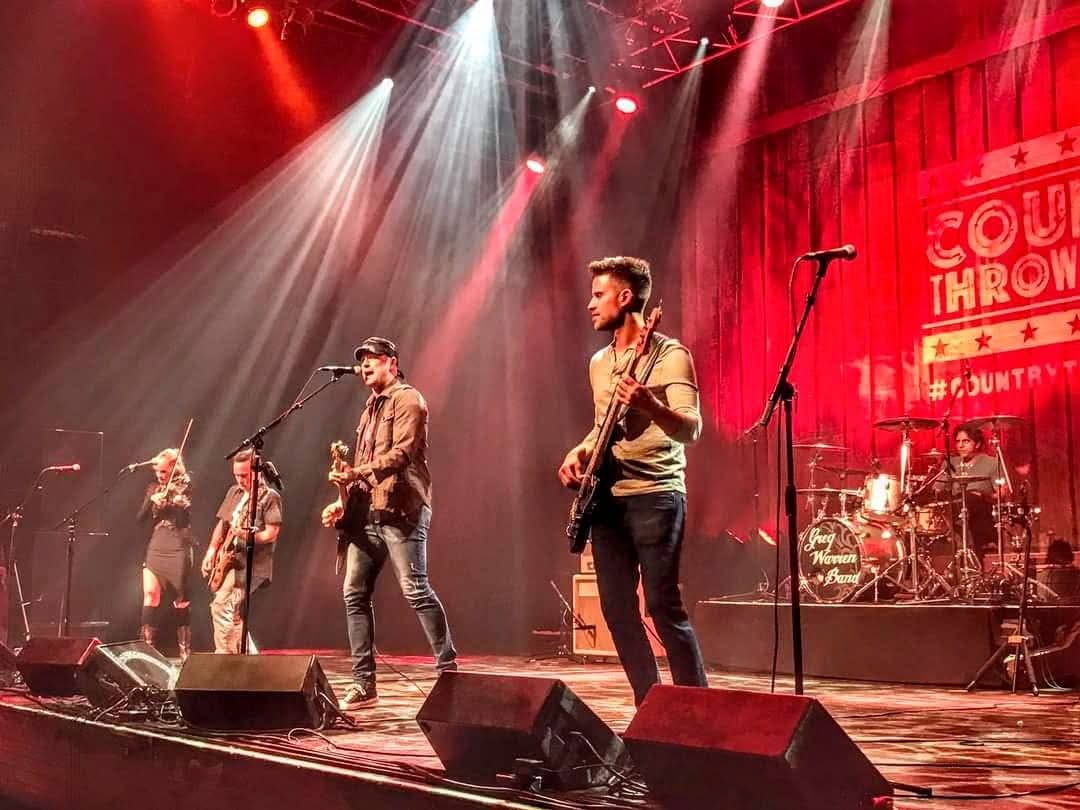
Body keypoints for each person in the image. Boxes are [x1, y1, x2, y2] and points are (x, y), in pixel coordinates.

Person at [557, 256, 708, 706]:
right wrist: (579, 451)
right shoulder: (598, 362)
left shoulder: (671, 355)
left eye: (598, 295)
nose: (590, 304)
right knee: (616, 609)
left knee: (662, 605)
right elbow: (602, 426)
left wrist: (650, 405)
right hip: (608, 500)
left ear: (625, 298)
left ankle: (697, 708)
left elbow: (691, 429)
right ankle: (652, 704)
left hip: (657, 495)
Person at [322, 336, 457, 711]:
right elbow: (361, 470)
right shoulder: (369, 410)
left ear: (392, 363)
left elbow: (402, 454)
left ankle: (449, 671)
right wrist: (342, 501)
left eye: (373, 358)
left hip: (401, 510)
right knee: (354, 594)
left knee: (415, 590)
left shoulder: (409, 399)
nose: (365, 365)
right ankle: (364, 684)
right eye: (362, 359)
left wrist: (357, 472)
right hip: (367, 513)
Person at [200, 450, 282, 654]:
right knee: (235, 614)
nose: (240, 480)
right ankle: (251, 660)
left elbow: (271, 534)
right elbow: (223, 524)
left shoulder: (270, 497)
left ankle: (224, 657)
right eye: (236, 475)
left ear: (257, 472)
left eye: (244, 475)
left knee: (221, 606)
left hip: (252, 565)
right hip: (230, 559)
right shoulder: (234, 492)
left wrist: (248, 536)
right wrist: (212, 550)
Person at [136, 448, 194, 661]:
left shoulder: (185, 487)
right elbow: (140, 518)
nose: (160, 476)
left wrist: (175, 504)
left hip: (178, 545)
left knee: (181, 599)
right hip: (157, 545)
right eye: (157, 472)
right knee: (150, 594)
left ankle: (185, 653)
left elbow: (182, 521)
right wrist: (152, 501)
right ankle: (146, 648)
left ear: (174, 470)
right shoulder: (153, 488)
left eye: (164, 472)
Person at [936, 424, 1000, 562]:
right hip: (952, 510)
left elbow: (1003, 493)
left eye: (966, 441)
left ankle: (981, 547)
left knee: (971, 498)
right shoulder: (950, 463)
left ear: (977, 444)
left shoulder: (991, 463)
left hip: (983, 512)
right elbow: (937, 490)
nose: (960, 445)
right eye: (958, 441)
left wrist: (984, 495)